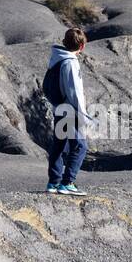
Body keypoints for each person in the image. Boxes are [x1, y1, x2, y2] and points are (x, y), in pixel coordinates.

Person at [45, 27, 91, 196]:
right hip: (70, 111)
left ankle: (53, 182)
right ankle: (67, 182)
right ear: (82, 46)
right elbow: (75, 93)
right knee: (80, 146)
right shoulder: (70, 62)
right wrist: (84, 116)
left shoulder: (56, 58)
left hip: (59, 109)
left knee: (59, 145)